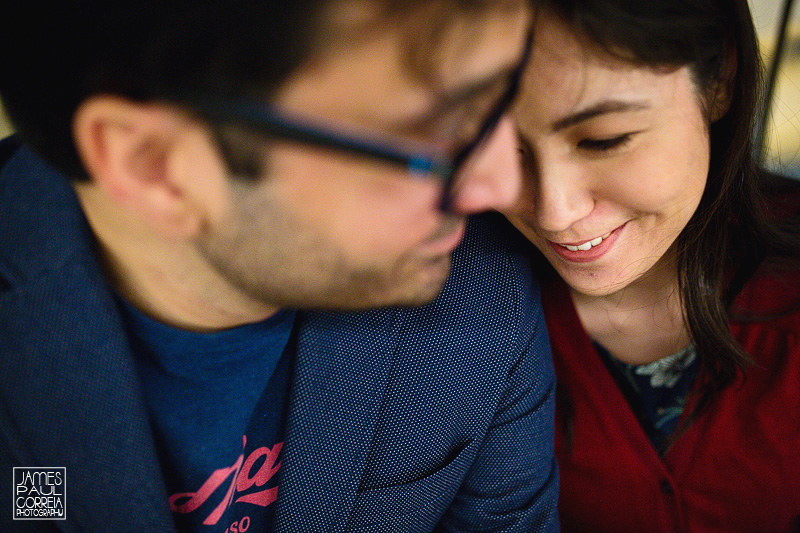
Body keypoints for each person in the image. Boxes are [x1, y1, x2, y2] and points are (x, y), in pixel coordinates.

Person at [0, 1, 560, 531]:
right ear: (155, 166)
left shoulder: (483, 301)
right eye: (431, 134)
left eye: (498, 96)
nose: (502, 187)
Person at [504, 0, 800, 530]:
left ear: (719, 79)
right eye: (502, 151)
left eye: (604, 140)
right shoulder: (458, 316)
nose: (554, 211)